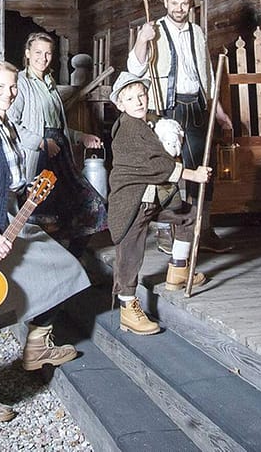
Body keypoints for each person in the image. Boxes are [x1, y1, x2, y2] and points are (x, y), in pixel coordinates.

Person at [0, 61, 90, 423]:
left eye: (12, 87)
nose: (8, 93)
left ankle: (35, 345)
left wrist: (26, 190)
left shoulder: (7, 125)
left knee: (65, 271)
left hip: (11, 221)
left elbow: (6, 179)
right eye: (0, 87)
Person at [127, 0, 233, 252]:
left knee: (202, 167)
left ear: (190, 5)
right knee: (166, 170)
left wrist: (218, 109)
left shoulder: (197, 32)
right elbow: (134, 69)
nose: (179, 8)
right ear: (165, 3)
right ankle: (165, 230)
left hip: (196, 107)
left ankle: (203, 229)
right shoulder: (154, 30)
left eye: (184, 3)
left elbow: (207, 73)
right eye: (174, 3)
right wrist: (141, 40)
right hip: (166, 109)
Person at [107, 73, 211, 334]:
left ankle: (177, 270)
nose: (138, 101)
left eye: (141, 95)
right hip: (132, 199)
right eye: (130, 98)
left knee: (187, 215)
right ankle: (128, 308)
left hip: (154, 196)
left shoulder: (146, 123)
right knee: (130, 252)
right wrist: (192, 174)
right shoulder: (129, 129)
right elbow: (156, 165)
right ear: (121, 105)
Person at [8, 32, 106, 257]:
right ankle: (48, 266)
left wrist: (81, 136)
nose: (43, 58)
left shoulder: (49, 83)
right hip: (39, 158)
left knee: (91, 206)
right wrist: (41, 142)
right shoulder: (21, 83)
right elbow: (12, 125)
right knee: (43, 215)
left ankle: (72, 259)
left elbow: (58, 127)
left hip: (61, 156)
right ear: (27, 54)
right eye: (38, 53)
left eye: (48, 54)